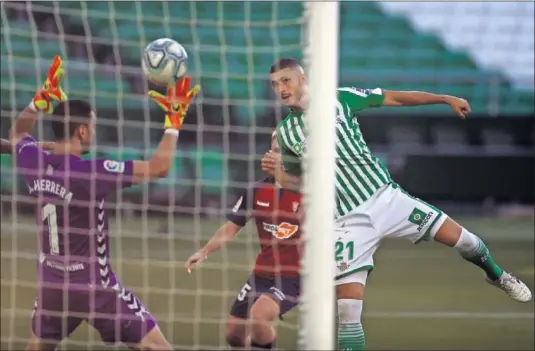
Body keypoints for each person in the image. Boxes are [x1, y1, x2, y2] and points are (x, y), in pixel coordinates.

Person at [261, 57, 532, 351]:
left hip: (388, 200)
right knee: (348, 312)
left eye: (286, 80)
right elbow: (302, 184)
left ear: (303, 78)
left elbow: (394, 97)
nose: (281, 88)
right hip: (347, 221)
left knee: (467, 242)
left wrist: (444, 98)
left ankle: (497, 275)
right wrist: (278, 174)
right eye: (275, 84)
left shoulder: (340, 99)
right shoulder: (285, 133)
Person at [10, 55, 200, 351]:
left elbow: (18, 133)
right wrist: (174, 122)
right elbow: (160, 167)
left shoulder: (34, 160)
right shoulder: (92, 171)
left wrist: (37, 102)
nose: (94, 132)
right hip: (94, 287)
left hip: (51, 286)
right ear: (82, 131)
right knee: (157, 347)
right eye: (93, 126)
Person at [185, 132, 302, 350]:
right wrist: (204, 251)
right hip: (262, 273)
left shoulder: (311, 192)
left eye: (283, 152)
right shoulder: (257, 190)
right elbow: (232, 226)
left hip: (295, 276)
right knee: (234, 335)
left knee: (258, 318)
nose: (276, 156)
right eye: (274, 150)